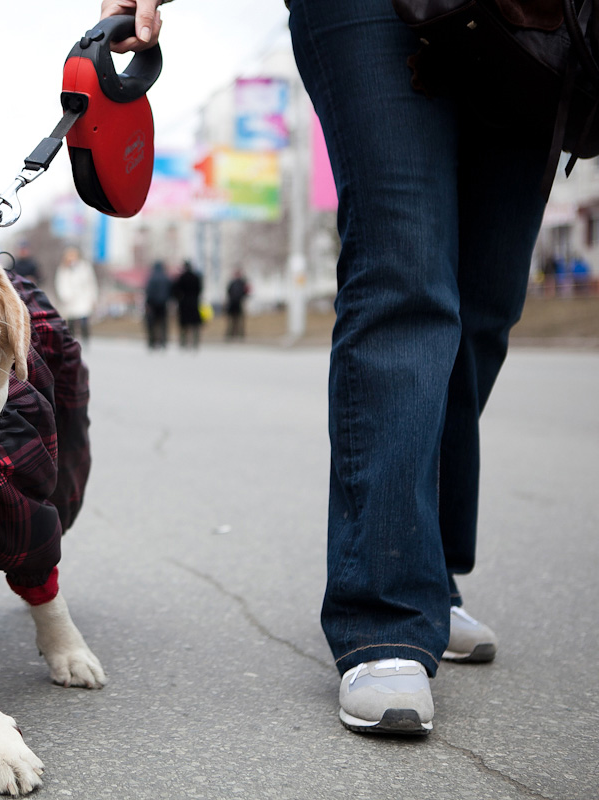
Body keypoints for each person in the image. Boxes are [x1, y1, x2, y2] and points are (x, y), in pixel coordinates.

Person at [106, 0, 539, 735]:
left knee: (485, 300)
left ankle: (431, 575)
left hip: (536, 15)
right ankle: (387, 612)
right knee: (406, 269)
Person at [54, 245, 98, 344]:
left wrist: (93, 297)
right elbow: (60, 284)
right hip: (70, 299)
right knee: (71, 321)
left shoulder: (85, 267)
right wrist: (65, 296)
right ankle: (71, 341)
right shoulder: (63, 269)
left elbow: (91, 282)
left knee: (84, 319)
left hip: (84, 297)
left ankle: (86, 339)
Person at [172, 259, 204, 349]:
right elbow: (199, 289)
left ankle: (183, 342)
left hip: (184, 303)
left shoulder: (181, 278)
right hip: (194, 302)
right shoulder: (196, 277)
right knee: (195, 324)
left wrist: (179, 298)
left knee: (183, 324)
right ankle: (195, 342)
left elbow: (175, 290)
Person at [144, 261, 171, 350]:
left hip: (153, 304)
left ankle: (152, 342)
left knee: (152, 324)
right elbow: (170, 291)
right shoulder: (166, 278)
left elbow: (148, 292)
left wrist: (147, 303)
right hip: (163, 304)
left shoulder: (151, 278)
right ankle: (163, 341)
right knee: (163, 324)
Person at [224, 268, 249, 341]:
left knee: (239, 320)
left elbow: (246, 292)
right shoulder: (232, 283)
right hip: (232, 303)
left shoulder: (242, 283)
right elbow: (228, 292)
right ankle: (230, 334)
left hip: (239, 303)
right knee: (231, 320)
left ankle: (240, 335)